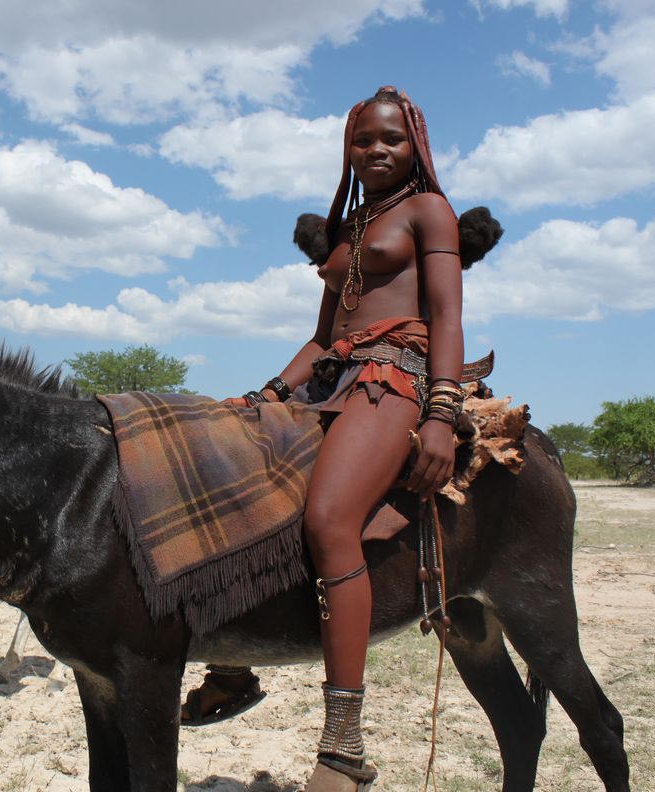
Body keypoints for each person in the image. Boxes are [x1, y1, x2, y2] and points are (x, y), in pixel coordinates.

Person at [223, 86, 465, 791]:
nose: (377, 151)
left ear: (414, 144)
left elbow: (447, 316)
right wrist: (267, 393)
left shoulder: (429, 211)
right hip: (333, 377)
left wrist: (442, 414)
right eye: (364, 141)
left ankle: (343, 749)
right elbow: (322, 337)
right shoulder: (352, 224)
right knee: (233, 472)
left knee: (330, 519)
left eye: (391, 139)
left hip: (396, 375)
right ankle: (231, 661)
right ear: (347, 149)